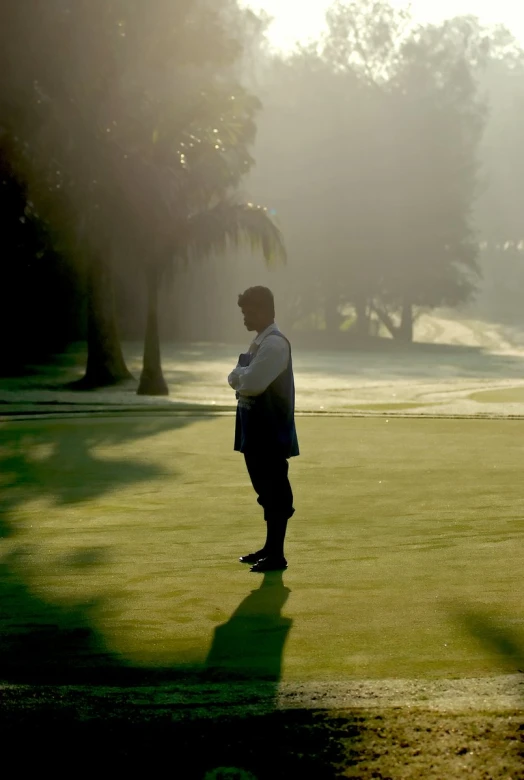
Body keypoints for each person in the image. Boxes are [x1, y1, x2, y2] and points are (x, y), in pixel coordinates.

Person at [228, 286, 299, 573]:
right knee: (264, 488)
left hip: (270, 429)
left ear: (264, 311)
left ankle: (277, 554)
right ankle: (270, 548)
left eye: (249, 311)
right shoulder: (260, 342)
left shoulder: (274, 345)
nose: (245, 317)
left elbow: (250, 382)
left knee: (274, 489)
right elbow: (241, 377)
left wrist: (238, 377)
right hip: (254, 428)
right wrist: (240, 377)